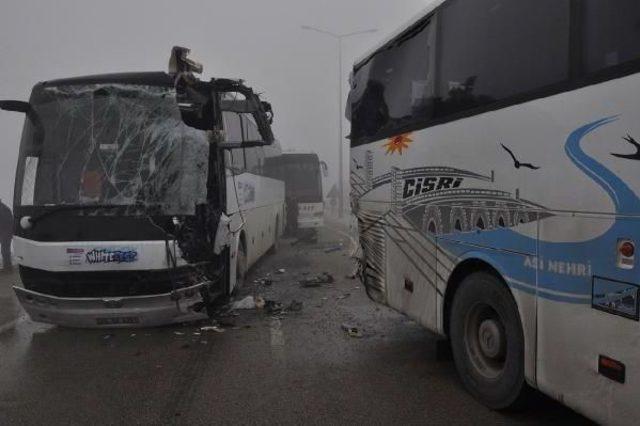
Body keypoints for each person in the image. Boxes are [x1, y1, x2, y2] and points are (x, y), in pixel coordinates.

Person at [0, 200, 14, 270]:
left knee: (5, 250)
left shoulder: (3, 209)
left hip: (6, 233)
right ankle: (7, 266)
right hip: (4, 232)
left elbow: (7, 222)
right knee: (5, 250)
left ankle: (8, 267)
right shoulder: (3, 208)